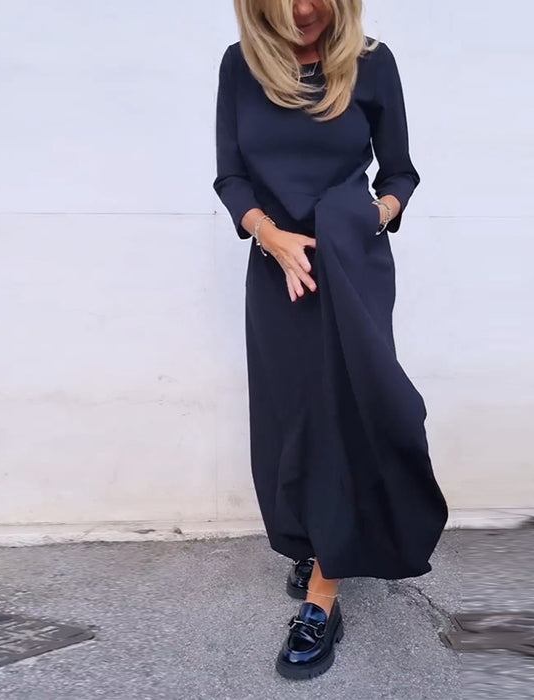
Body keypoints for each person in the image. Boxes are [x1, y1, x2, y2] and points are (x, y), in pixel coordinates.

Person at [212, 0, 448, 681]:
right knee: (291, 419)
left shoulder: (373, 64)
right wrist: (271, 236)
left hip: (351, 267)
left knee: (346, 417)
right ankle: (317, 542)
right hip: (277, 271)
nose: (303, 8)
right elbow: (231, 176)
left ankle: (323, 598)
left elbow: (399, 172)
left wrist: (370, 217)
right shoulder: (240, 66)